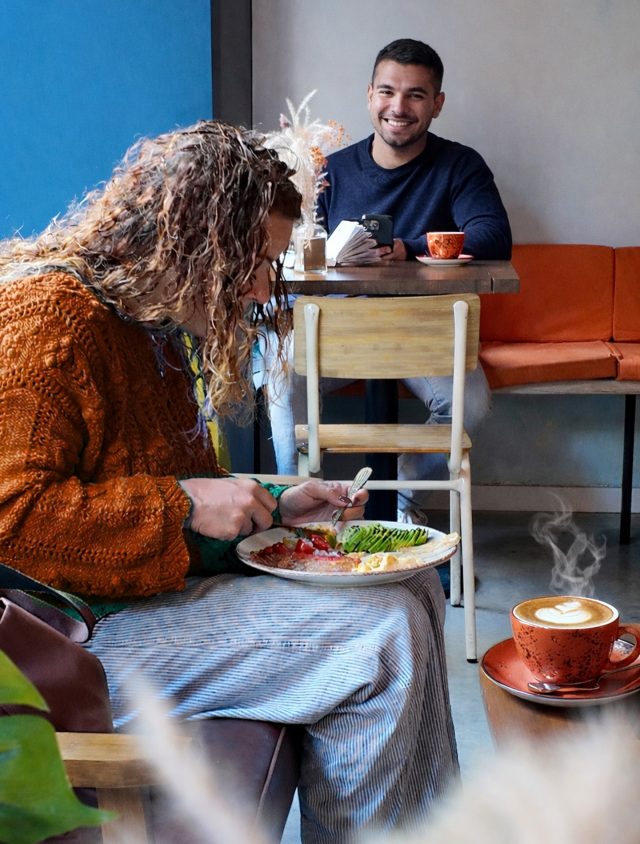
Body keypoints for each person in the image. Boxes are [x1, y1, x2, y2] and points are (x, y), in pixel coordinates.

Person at [0, 121, 458, 841]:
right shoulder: (45, 322)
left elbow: (179, 490)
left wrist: (275, 504)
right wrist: (181, 504)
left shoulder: (144, 322)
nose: (257, 288)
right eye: (250, 260)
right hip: (70, 636)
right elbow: (12, 527)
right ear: (188, 241)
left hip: (132, 601)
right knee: (381, 638)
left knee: (414, 586)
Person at [257, 38, 512, 522]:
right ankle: (291, 505)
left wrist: (408, 248)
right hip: (340, 331)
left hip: (426, 332)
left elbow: (493, 236)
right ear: (369, 95)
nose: (399, 107)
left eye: (416, 95)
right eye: (388, 91)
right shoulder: (329, 169)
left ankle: (409, 495)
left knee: (472, 405)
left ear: (437, 104)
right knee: (276, 375)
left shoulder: (460, 165)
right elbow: (295, 243)